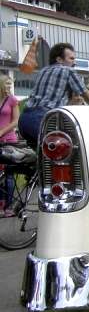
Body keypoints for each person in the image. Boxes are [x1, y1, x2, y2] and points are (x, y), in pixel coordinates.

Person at [18, 43, 89, 147]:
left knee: (41, 159)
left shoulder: (43, 71)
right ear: (59, 60)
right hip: (43, 119)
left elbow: (53, 99)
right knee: (67, 151)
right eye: (71, 59)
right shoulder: (68, 71)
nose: (74, 62)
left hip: (24, 119)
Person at [0, 74, 20, 216]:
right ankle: (1, 204)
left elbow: (15, 121)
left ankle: (9, 206)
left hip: (9, 140)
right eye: (7, 83)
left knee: (8, 175)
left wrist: (1, 131)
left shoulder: (12, 100)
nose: (9, 86)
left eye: (10, 84)